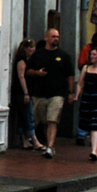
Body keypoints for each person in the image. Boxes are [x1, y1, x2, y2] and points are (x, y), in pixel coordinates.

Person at [26, 27, 76, 158]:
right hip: (40, 94)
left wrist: (71, 92)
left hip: (57, 94)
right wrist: (37, 73)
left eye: (58, 37)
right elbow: (28, 71)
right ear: (47, 38)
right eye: (53, 37)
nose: (56, 39)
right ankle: (36, 140)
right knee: (41, 120)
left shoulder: (63, 56)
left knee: (52, 120)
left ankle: (50, 147)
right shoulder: (38, 54)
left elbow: (70, 75)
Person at [11, 39, 41, 150]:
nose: (33, 49)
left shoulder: (29, 60)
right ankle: (34, 140)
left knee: (23, 116)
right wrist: (26, 93)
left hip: (25, 92)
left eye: (34, 47)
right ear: (25, 49)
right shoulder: (22, 61)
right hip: (22, 93)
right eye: (30, 47)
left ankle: (25, 141)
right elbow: (21, 76)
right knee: (29, 115)